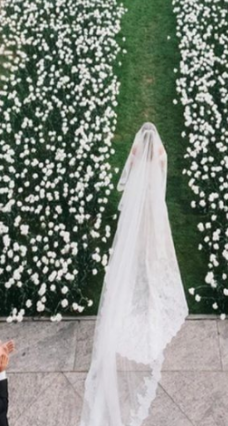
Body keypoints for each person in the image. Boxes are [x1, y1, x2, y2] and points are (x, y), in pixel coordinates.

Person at [80, 123, 187, 426]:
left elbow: (128, 172)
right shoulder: (161, 154)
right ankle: (149, 260)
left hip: (141, 203)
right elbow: (163, 174)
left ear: (142, 140)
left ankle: (141, 255)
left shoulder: (139, 150)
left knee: (136, 240)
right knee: (154, 243)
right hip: (153, 204)